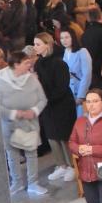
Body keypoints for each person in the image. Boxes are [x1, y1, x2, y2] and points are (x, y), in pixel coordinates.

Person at [0, 50, 48, 194]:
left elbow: (42, 99)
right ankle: (16, 183)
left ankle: (33, 183)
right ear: (16, 65)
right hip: (10, 124)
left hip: (30, 122)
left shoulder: (32, 79)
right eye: (26, 63)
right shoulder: (0, 81)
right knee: (12, 155)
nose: (29, 65)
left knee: (31, 153)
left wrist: (34, 111)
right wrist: (15, 113)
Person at [33, 33, 77, 183]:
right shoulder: (38, 63)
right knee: (52, 136)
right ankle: (61, 165)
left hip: (61, 104)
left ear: (47, 45)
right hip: (47, 105)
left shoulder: (59, 63)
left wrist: (45, 98)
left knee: (64, 136)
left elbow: (62, 87)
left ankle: (72, 165)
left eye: (38, 44)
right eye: (34, 44)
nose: (35, 47)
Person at [59, 29, 92, 117]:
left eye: (67, 37)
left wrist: (81, 95)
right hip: (69, 92)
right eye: (62, 38)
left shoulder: (82, 51)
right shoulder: (65, 52)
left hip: (80, 91)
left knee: (80, 118)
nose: (64, 40)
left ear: (73, 37)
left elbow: (87, 74)